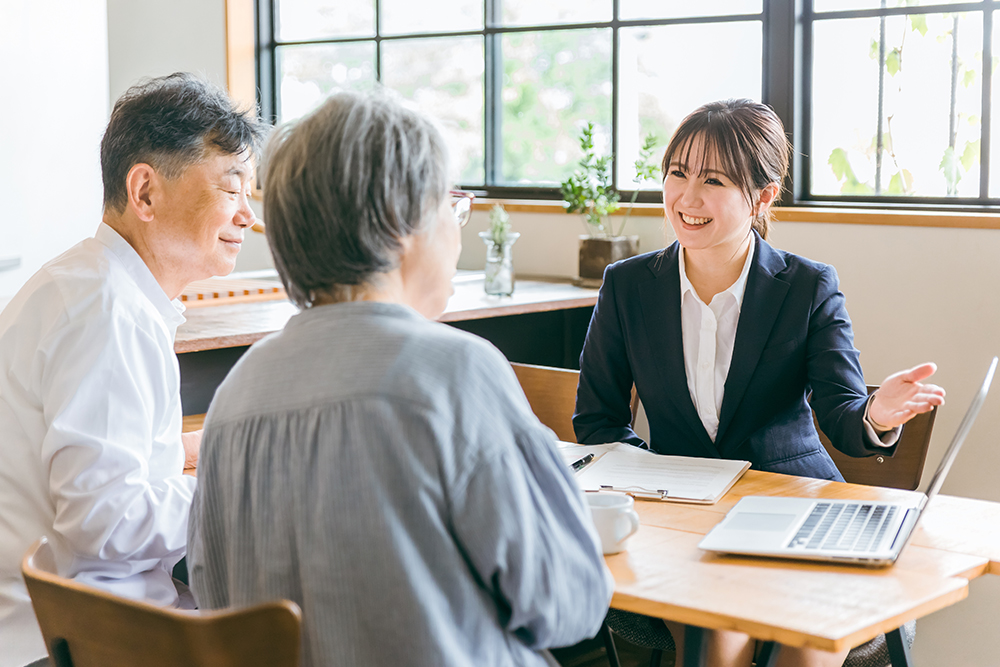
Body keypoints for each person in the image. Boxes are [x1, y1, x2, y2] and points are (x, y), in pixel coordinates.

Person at [186, 90, 613, 667]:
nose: (457, 232)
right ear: (399, 221)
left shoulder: (239, 393)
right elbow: (566, 603)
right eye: (451, 208)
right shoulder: (456, 371)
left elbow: (214, 598)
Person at [573, 99, 945, 667]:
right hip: (682, 524)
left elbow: (843, 414)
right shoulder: (627, 287)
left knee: (803, 634)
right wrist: (662, 481)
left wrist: (877, 415)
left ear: (763, 196)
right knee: (716, 634)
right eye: (678, 173)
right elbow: (598, 422)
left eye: (714, 180)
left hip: (793, 513)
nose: (687, 199)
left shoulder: (808, 286)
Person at [0, 73, 267, 667]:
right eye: (231, 189)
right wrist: (233, 486)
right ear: (145, 191)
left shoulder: (85, 285)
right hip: (70, 644)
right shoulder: (107, 314)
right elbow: (105, 519)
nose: (248, 215)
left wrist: (187, 450)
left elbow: (89, 466)